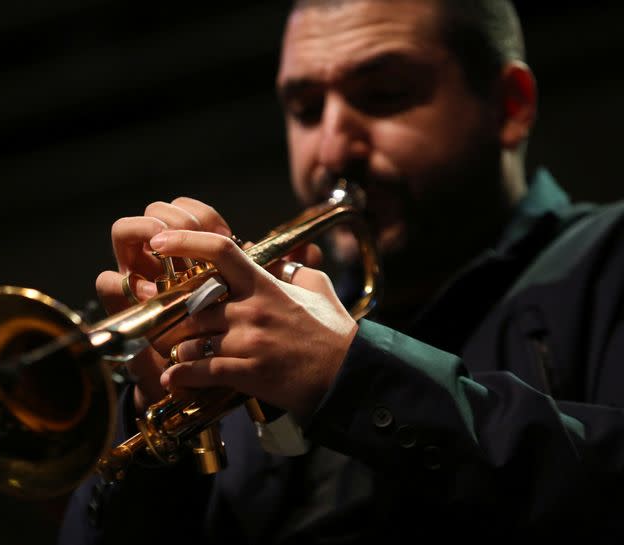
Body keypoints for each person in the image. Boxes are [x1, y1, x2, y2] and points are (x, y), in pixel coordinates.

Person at [59, 0, 624, 542]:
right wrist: (157, 428)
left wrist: (350, 377)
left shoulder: (606, 257)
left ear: (510, 106)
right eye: (305, 110)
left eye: (384, 95)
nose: (331, 148)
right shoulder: (250, 343)